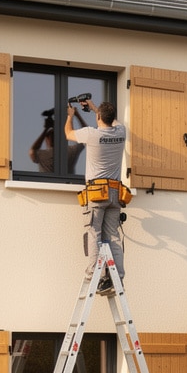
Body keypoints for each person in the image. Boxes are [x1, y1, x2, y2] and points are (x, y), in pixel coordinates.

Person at [64, 99, 128, 295]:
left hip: (97, 193)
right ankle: (117, 279)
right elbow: (113, 122)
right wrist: (94, 108)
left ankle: (93, 273)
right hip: (115, 193)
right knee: (114, 237)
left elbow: (68, 134)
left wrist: (70, 116)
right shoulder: (120, 132)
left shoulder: (91, 134)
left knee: (94, 233)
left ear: (99, 117)